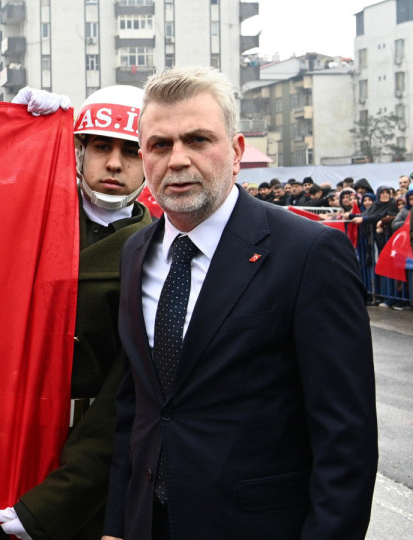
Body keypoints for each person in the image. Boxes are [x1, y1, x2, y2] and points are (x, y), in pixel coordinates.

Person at [103, 66, 377, 540]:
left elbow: (345, 439)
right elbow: (137, 410)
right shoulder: (135, 253)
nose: (178, 160)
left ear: (235, 150)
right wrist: (116, 525)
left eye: (198, 139)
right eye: (160, 145)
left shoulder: (308, 254)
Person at [0, 85, 152, 540]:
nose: (114, 164)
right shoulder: (18, 216)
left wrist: (55, 505)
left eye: (132, 151)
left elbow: (121, 403)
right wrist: (4, 125)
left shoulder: (158, 255)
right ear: (78, 149)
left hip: (76, 464)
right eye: (101, 146)